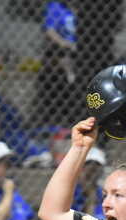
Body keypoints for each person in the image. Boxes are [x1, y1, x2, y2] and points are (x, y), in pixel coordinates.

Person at [32, 0, 77, 128]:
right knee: (57, 87)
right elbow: (49, 30)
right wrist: (64, 43)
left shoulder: (77, 8)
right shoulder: (55, 6)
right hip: (60, 51)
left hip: (77, 53)